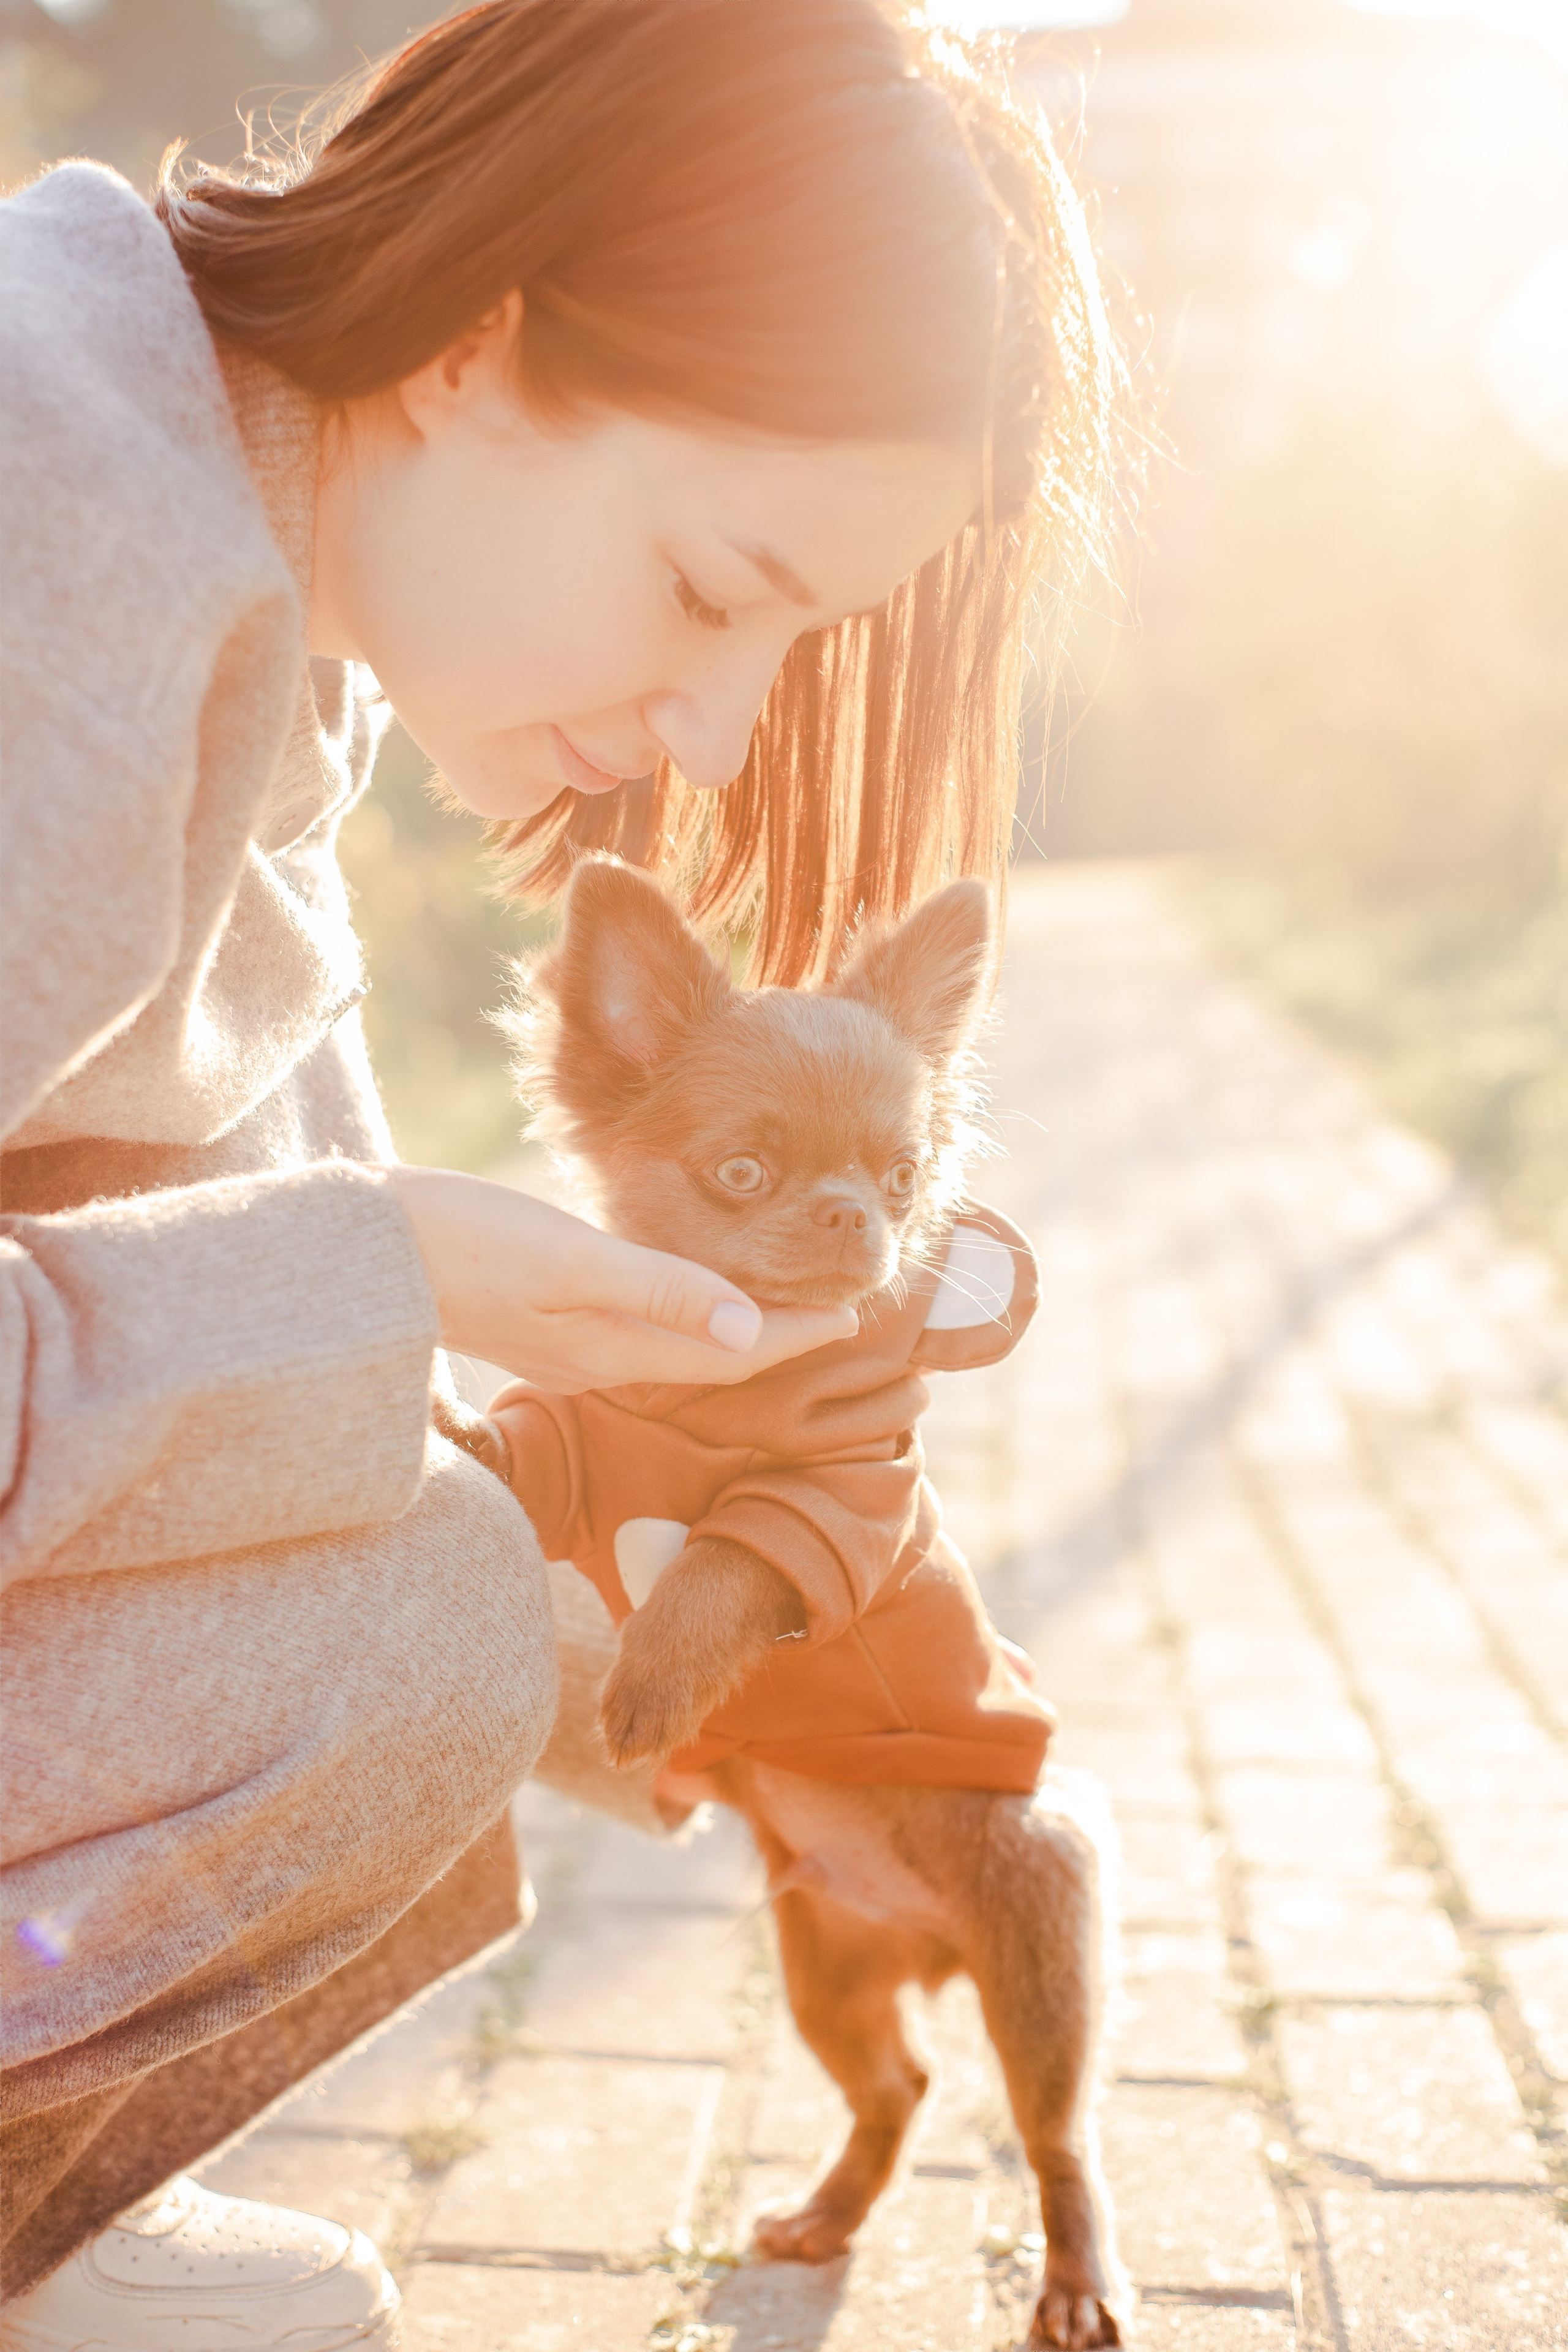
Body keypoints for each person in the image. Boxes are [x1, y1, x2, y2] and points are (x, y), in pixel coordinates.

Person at [0, 0, 1119, 2340]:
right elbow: (281, 1345)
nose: (712, 734)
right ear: (482, 350)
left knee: (481, 1577)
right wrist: (384, 1277)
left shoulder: (267, 615)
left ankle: (53, 2192)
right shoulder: (58, 581)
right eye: (721, 588)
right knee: (422, 1610)